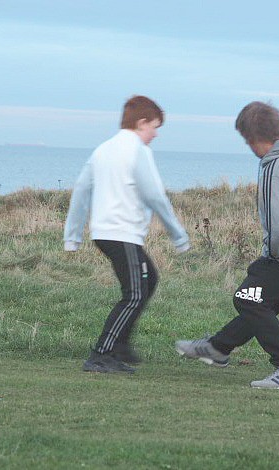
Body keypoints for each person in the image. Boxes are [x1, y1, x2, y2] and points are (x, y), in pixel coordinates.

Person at [175, 101, 279, 390]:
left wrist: (270, 255)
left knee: (247, 298)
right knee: (260, 303)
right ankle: (218, 348)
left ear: (251, 139)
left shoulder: (275, 166)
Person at [64, 95, 190, 374]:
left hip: (104, 233)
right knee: (133, 294)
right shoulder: (137, 150)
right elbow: (155, 195)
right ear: (141, 122)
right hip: (123, 234)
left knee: (149, 280)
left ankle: (119, 346)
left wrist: (72, 235)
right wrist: (178, 235)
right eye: (154, 127)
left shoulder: (103, 149)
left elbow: (81, 190)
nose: (155, 134)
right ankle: (100, 355)